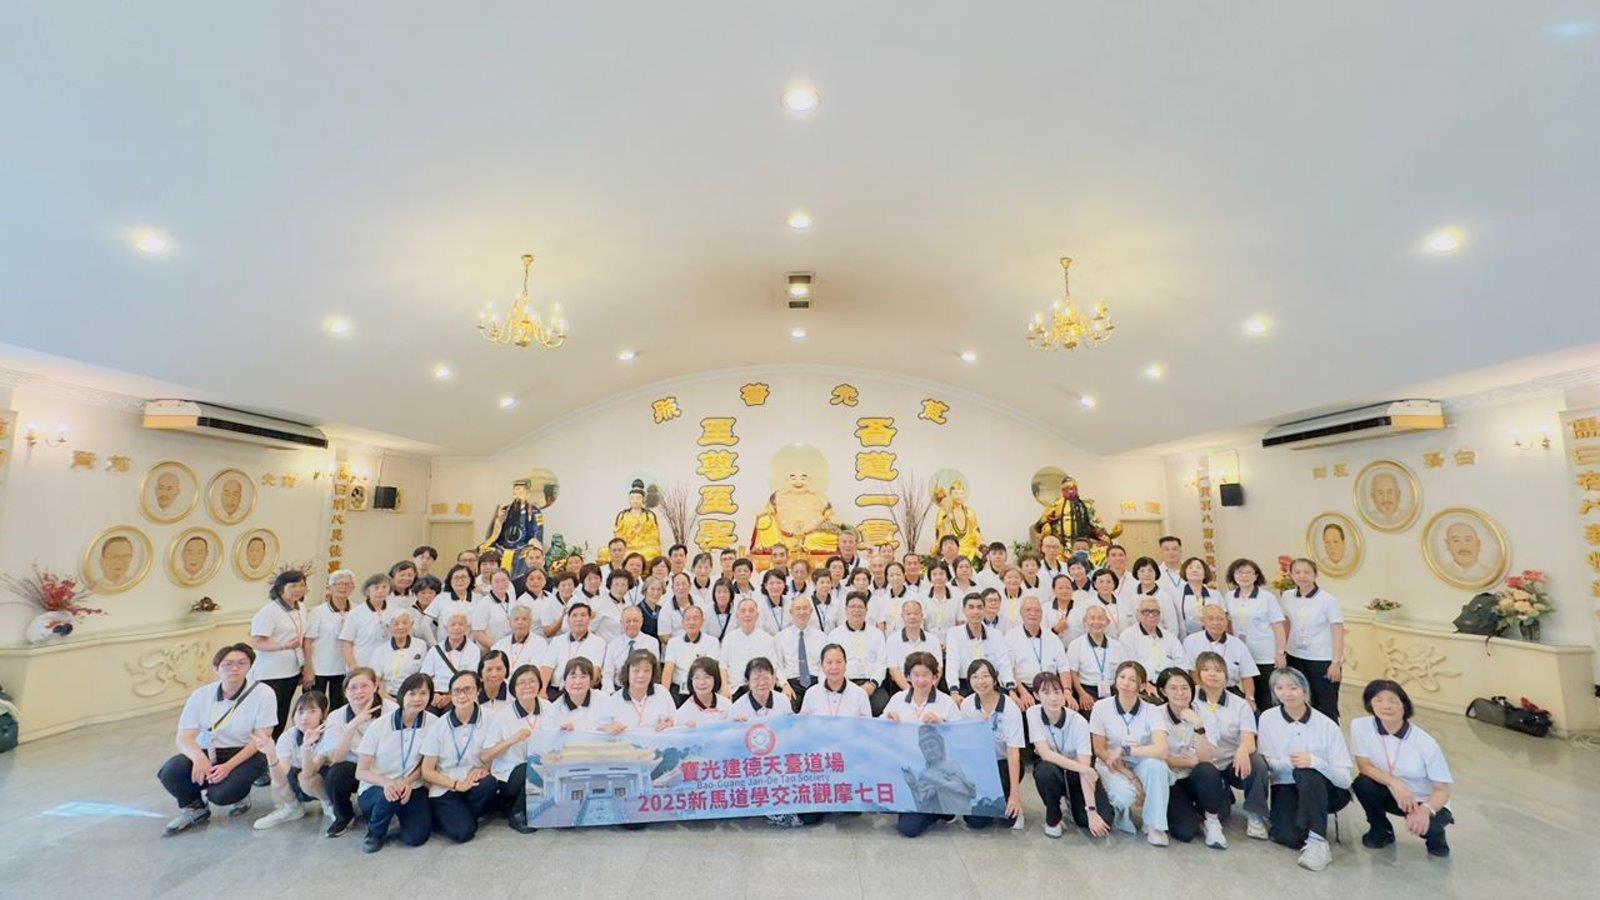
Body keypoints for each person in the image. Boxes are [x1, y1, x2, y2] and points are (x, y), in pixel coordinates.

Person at [157, 644, 277, 835]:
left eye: (241, 663)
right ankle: (195, 807)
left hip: (246, 752)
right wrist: (199, 758)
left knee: (221, 795)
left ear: (250, 666)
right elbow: (183, 737)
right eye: (227, 664)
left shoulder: (264, 693)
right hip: (210, 750)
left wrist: (227, 767)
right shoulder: (201, 695)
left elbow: (261, 738)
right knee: (171, 771)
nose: (234, 668)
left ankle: (240, 794)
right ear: (216, 668)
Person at [1256, 667, 1353, 871]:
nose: (1287, 693)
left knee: (1307, 772)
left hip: (1328, 788)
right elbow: (1270, 765)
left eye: (1293, 688)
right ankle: (1309, 822)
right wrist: (1291, 762)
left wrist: (1315, 762)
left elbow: (1344, 780)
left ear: (1305, 690)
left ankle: (1318, 841)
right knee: (1287, 836)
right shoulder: (1267, 718)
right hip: (1287, 784)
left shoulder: (1327, 725)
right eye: (1280, 688)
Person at [1350, 679, 1454, 857]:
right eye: (1378, 700)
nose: (1386, 706)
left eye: (1393, 701)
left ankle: (1436, 837)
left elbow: (1442, 791)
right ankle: (1381, 829)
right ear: (1370, 704)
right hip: (1393, 793)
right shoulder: (1360, 726)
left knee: (1428, 827)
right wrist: (1395, 783)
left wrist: (1424, 810)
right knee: (1363, 783)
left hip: (1425, 800)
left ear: (1404, 705)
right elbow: (1364, 766)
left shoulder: (1425, 742)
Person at [1088, 661, 1172, 845]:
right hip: (1111, 763)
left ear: (1142, 686)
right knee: (1125, 796)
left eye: (1133, 680)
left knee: (1157, 766)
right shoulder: (1101, 707)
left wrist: (1126, 750)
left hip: (1140, 760)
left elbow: (1162, 749)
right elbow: (1100, 749)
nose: (1126, 683)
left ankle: (1155, 826)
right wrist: (1131, 777)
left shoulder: (1152, 711)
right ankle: (1122, 816)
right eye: (1122, 677)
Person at [885, 652, 968, 838]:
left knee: (909, 829)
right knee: (894, 812)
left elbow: (960, 739)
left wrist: (942, 725)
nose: (921, 680)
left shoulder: (946, 702)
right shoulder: (897, 699)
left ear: (935, 676)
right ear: (908, 676)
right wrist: (887, 720)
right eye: (916, 675)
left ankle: (942, 808)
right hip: (905, 768)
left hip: (935, 775)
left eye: (926, 675)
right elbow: (879, 731)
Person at [353, 671, 435, 852]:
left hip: (412, 785)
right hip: (377, 787)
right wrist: (387, 783)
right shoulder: (380, 725)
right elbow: (361, 771)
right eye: (412, 693)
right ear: (402, 695)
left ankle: (394, 812)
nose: (417, 698)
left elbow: (425, 764)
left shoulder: (433, 724)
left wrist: (406, 782)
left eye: (423, 693)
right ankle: (375, 833)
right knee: (390, 794)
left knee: (416, 838)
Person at [1192, 651, 1269, 839]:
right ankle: (1222, 792)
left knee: (1256, 761)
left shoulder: (1240, 704)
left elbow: (1249, 739)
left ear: (1226, 675)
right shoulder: (1190, 699)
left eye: (1218, 670)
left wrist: (1242, 750)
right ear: (1198, 674)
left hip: (1231, 763)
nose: (1212, 674)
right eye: (1206, 669)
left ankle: (1255, 814)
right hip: (1203, 765)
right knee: (1221, 815)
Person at [306, 667, 390, 838]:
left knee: (374, 813)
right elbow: (336, 757)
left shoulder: (392, 710)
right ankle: (343, 816)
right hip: (356, 769)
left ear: (375, 687)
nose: (358, 692)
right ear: (345, 692)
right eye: (352, 688)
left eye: (364, 686)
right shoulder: (337, 716)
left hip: (385, 768)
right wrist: (352, 725)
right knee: (336, 773)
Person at [1153, 668, 1231, 848]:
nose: (1180, 693)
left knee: (1207, 770)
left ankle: (1212, 821)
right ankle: (1197, 808)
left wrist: (1198, 725)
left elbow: (1205, 758)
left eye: (1185, 688)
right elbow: (1160, 755)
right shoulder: (1156, 715)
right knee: (1185, 832)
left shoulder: (1204, 713)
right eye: (1173, 688)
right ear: (1163, 691)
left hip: (1199, 775)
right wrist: (1188, 761)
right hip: (1173, 778)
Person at [1026, 672, 1110, 839]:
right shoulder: (1033, 713)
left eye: (1057, 692)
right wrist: (1085, 769)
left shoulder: (1079, 722)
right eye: (1046, 693)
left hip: (1076, 773)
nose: (1053, 698)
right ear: (1036, 695)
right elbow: (1045, 754)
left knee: (1101, 819)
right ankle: (1054, 815)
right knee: (1044, 771)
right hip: (1055, 769)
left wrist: (1091, 811)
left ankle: (1074, 804)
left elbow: (1084, 768)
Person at [419, 670, 497, 844]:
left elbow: (494, 752)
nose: (462, 696)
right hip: (445, 786)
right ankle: (453, 816)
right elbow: (427, 771)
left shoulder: (491, 718)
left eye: (468, 689)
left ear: (478, 691)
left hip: (472, 781)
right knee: (463, 833)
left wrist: (485, 769)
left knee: (488, 784)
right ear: (451, 694)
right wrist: (456, 785)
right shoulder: (439, 726)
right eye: (457, 691)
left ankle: (459, 815)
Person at [957, 659, 1024, 830]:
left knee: (1007, 820)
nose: (980, 681)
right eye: (975, 677)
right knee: (975, 821)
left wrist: (1014, 795)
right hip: (979, 765)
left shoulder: (1010, 708)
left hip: (1003, 764)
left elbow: (1013, 752)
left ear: (995, 680)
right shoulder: (967, 705)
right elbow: (964, 745)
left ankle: (1013, 799)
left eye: (985, 676)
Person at [480, 663, 547, 833]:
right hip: (510, 776)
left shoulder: (549, 708)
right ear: (513, 688)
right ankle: (517, 814)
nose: (527, 686)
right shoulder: (503, 716)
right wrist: (511, 740)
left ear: (539, 684)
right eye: (521, 683)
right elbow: (485, 756)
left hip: (545, 771)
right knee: (531, 766)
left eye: (532, 681)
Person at [252, 690, 331, 830]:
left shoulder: (329, 734)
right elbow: (281, 775)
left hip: (323, 780)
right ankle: (293, 808)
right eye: (300, 712)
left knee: (306, 778)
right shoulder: (288, 736)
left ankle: (329, 804)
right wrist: (271, 754)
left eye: (312, 711)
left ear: (323, 715)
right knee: (277, 781)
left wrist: (306, 747)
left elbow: (310, 772)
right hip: (300, 780)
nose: (305, 717)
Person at [1280, 558, 1346, 721]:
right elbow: (1285, 624)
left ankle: (1330, 735)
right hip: (1294, 656)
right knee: (1295, 701)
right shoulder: (1287, 596)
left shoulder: (1328, 600)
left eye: (1307, 572)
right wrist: (1281, 651)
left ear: (1315, 575)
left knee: (1325, 706)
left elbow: (1338, 631)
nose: (1302, 576)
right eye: (1297, 572)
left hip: (1321, 659)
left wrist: (1336, 663)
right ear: (1291, 575)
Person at [250, 570, 311, 738]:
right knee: (268, 717)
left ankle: (276, 747)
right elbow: (256, 642)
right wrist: (283, 646)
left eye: (302, 585)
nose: (298, 589)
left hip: (291, 670)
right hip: (271, 673)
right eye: (293, 586)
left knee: (282, 714)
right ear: (280, 588)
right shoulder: (270, 611)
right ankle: (261, 748)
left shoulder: (301, 608)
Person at [1224, 558, 1288, 711]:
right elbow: (1228, 623)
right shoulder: (1229, 597)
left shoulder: (1267, 597)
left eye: (1248, 572)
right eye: (1240, 572)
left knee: (1266, 695)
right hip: (1242, 652)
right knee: (1248, 693)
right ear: (1233, 575)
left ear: (1256, 576)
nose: (1244, 576)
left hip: (1265, 654)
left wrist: (1280, 652)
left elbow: (1278, 626)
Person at [1004, 595, 1069, 713]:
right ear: (1021, 613)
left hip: (1051, 689)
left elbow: (1063, 668)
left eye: (1037, 610)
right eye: (1028, 610)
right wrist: (1023, 692)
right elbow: (1009, 669)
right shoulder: (1010, 637)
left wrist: (1067, 691)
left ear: (1042, 614)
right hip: (1025, 688)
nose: (1033, 614)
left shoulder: (1053, 638)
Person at [828, 591, 888, 715]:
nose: (856, 610)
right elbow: (832, 664)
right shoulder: (835, 635)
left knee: (881, 705)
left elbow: (882, 663)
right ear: (846, 610)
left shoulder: (877, 634)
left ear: (866, 610)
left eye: (860, 607)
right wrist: (846, 686)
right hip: (845, 684)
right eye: (852, 606)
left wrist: (872, 685)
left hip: (871, 684)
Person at [1183, 605, 1260, 701]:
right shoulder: (1191, 641)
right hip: (1201, 691)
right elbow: (1192, 672)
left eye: (1220, 619)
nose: (1216, 623)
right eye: (1211, 619)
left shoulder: (1238, 644)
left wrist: (1250, 698)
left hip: (1230, 691)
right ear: (1202, 621)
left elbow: (1247, 676)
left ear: (1226, 622)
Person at [944, 592, 1012, 700]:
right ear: (964, 610)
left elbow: (1003, 663)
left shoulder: (996, 634)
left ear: (984, 610)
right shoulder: (954, 633)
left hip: (990, 685)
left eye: (979, 607)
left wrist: (1011, 689)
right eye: (971, 607)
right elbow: (952, 662)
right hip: (965, 685)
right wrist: (954, 691)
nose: (975, 611)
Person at [1120, 597, 1190, 697]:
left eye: (1155, 612)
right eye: (1146, 611)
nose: (1151, 615)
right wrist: (1146, 685)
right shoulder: (1127, 636)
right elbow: (1130, 667)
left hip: (1170, 686)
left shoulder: (1170, 637)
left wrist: (1175, 686)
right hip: (1142, 687)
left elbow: (1182, 664)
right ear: (1138, 614)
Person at [305, 570, 354, 708]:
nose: (343, 587)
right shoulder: (318, 612)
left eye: (347, 584)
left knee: (339, 707)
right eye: (339, 584)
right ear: (330, 588)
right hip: (319, 668)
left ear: (352, 587)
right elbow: (307, 641)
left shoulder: (357, 610)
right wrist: (308, 668)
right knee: (314, 706)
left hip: (344, 668)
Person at [1064, 605, 1128, 710]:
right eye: (1092, 618)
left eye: (1100, 618)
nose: (1096, 622)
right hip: (1087, 691)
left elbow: (1124, 671)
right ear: (1085, 621)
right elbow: (1072, 673)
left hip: (1113, 690)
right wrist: (1082, 694)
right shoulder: (1076, 644)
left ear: (1107, 622)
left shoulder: (1117, 646)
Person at [662, 605, 725, 703]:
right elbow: (668, 671)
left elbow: (712, 670)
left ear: (702, 621)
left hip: (702, 687)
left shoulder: (712, 642)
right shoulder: (673, 642)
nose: (691, 622)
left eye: (695, 618)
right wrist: (664, 697)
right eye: (688, 619)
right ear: (683, 622)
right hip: (679, 689)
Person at [422, 613, 483, 710]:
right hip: (435, 695)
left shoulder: (473, 650)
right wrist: (432, 695)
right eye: (453, 624)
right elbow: (425, 676)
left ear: (466, 628)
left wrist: (451, 697)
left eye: (460, 624)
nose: (457, 628)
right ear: (446, 627)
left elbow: (471, 678)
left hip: (460, 694)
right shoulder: (435, 649)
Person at [720, 598, 778, 697]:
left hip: (760, 689)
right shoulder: (729, 638)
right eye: (743, 611)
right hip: (735, 689)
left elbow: (773, 668)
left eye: (751, 611)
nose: (747, 614)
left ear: (757, 615)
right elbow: (723, 666)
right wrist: (724, 687)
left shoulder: (767, 639)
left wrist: (770, 691)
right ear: (737, 615)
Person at [775, 593, 825, 710]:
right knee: (787, 708)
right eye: (798, 609)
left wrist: (821, 687)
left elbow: (823, 666)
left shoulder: (822, 637)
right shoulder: (780, 638)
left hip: (815, 682)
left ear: (811, 611)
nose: (802, 612)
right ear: (791, 612)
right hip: (791, 683)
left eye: (805, 608)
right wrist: (784, 685)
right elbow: (778, 666)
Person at [543, 603, 606, 694]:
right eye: (574, 615)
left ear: (589, 619)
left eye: (583, 615)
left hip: (583, 690)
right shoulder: (557, 640)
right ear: (568, 619)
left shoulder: (599, 642)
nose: (579, 619)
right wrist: (543, 690)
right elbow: (547, 666)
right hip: (556, 689)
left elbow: (595, 670)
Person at [885, 600, 943, 694]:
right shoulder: (893, 639)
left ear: (922, 616)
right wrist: (912, 693)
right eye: (908, 614)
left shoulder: (933, 639)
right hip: (901, 687)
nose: (912, 617)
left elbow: (938, 668)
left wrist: (928, 689)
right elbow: (893, 670)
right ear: (902, 616)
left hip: (928, 686)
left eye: (916, 614)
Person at [801, 643, 873, 717]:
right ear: (822, 665)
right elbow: (803, 722)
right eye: (829, 662)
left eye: (839, 662)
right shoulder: (811, 694)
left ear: (845, 664)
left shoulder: (860, 694)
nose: (834, 667)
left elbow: (867, 723)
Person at [600, 605, 661, 691]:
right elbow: (607, 675)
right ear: (621, 622)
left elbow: (654, 672)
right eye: (628, 621)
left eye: (635, 621)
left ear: (642, 621)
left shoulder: (652, 643)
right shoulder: (613, 645)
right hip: (619, 689)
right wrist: (611, 694)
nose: (632, 624)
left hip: (644, 689)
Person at [368, 612, 427, 698]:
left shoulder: (421, 645)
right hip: (388, 696)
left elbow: (425, 675)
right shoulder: (380, 650)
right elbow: (376, 680)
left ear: (411, 625)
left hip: (414, 695)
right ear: (388, 627)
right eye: (396, 624)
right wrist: (390, 700)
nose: (401, 627)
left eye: (405, 623)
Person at [491, 606, 549, 684]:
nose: (520, 622)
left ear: (530, 623)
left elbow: (535, 670)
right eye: (516, 619)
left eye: (524, 619)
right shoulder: (499, 644)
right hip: (502, 684)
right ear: (510, 623)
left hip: (526, 684)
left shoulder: (540, 643)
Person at [545, 658, 606, 732]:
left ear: (591, 681)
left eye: (583, 677)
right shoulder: (554, 710)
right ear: (564, 681)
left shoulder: (604, 699)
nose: (577, 682)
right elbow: (549, 734)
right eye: (573, 677)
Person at [1065, 567, 1120, 646]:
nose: (1105, 585)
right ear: (1095, 584)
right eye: (1101, 582)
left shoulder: (1125, 602)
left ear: (1114, 584)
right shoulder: (1084, 604)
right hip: (1094, 646)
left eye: (1108, 582)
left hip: (1122, 646)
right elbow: (1075, 628)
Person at [676, 657, 733, 727]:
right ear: (691, 680)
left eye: (707, 677)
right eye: (696, 678)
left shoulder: (726, 705)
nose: (702, 682)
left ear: (715, 679)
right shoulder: (683, 712)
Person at [729, 657, 790, 721]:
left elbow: (790, 724)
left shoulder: (783, 700)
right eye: (756, 679)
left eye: (766, 677)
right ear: (748, 681)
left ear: (772, 678)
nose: (762, 683)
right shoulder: (737, 708)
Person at [920, 561, 960, 633]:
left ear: (947, 576)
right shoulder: (922, 597)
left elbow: (960, 622)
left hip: (951, 638)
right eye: (934, 574)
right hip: (929, 638)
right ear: (930, 577)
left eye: (941, 574)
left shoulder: (957, 595)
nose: (938, 577)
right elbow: (920, 623)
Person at [477, 651, 512, 715]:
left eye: (499, 669)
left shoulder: (514, 692)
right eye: (489, 669)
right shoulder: (472, 693)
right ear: (481, 672)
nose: (494, 674)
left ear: (507, 670)